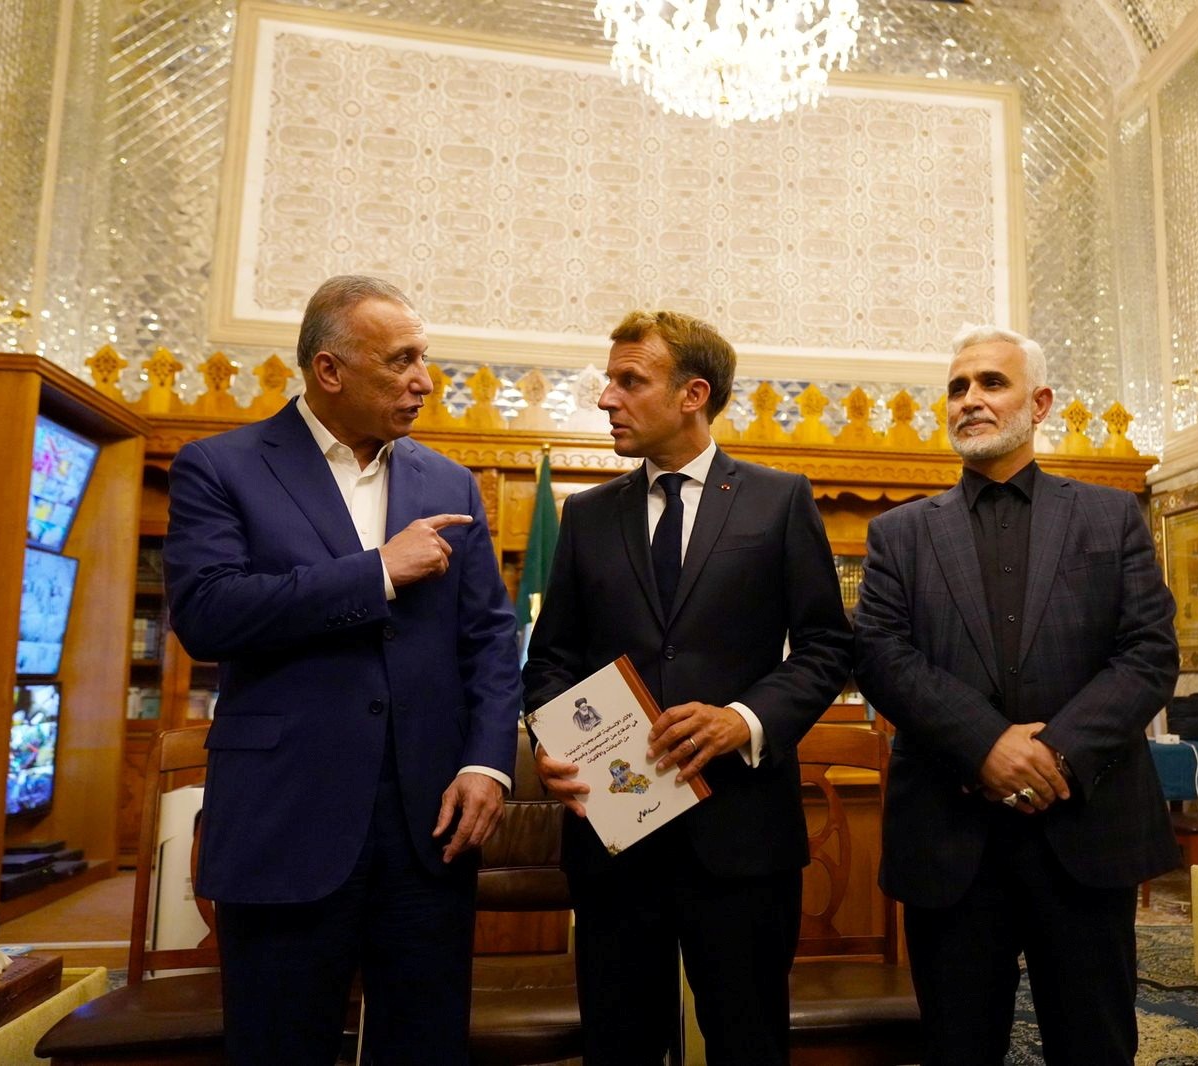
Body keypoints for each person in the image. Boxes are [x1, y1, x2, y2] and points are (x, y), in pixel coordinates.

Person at [163, 275, 521, 1065]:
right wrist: (377, 573)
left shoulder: (448, 482)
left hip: (430, 830)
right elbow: (208, 615)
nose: (424, 380)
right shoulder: (219, 468)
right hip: (284, 820)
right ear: (330, 371)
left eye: (424, 358)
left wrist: (487, 763)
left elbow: (491, 640)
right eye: (401, 360)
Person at [524, 310, 852, 1066]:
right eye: (610, 380)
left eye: (629, 381)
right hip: (615, 838)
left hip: (740, 839)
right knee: (618, 1044)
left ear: (692, 394)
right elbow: (550, 660)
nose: (607, 397)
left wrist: (746, 718)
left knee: (748, 1043)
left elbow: (829, 645)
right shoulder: (585, 515)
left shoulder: (778, 501)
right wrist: (552, 737)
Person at [852, 324, 1180, 1066]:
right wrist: (986, 747)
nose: (969, 400)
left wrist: (1054, 755)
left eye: (991, 383)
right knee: (958, 1046)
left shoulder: (1108, 517)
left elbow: (1149, 653)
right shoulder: (899, 534)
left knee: (1094, 1044)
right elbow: (879, 655)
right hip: (950, 836)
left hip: (1085, 830)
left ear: (1039, 402)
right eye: (957, 387)